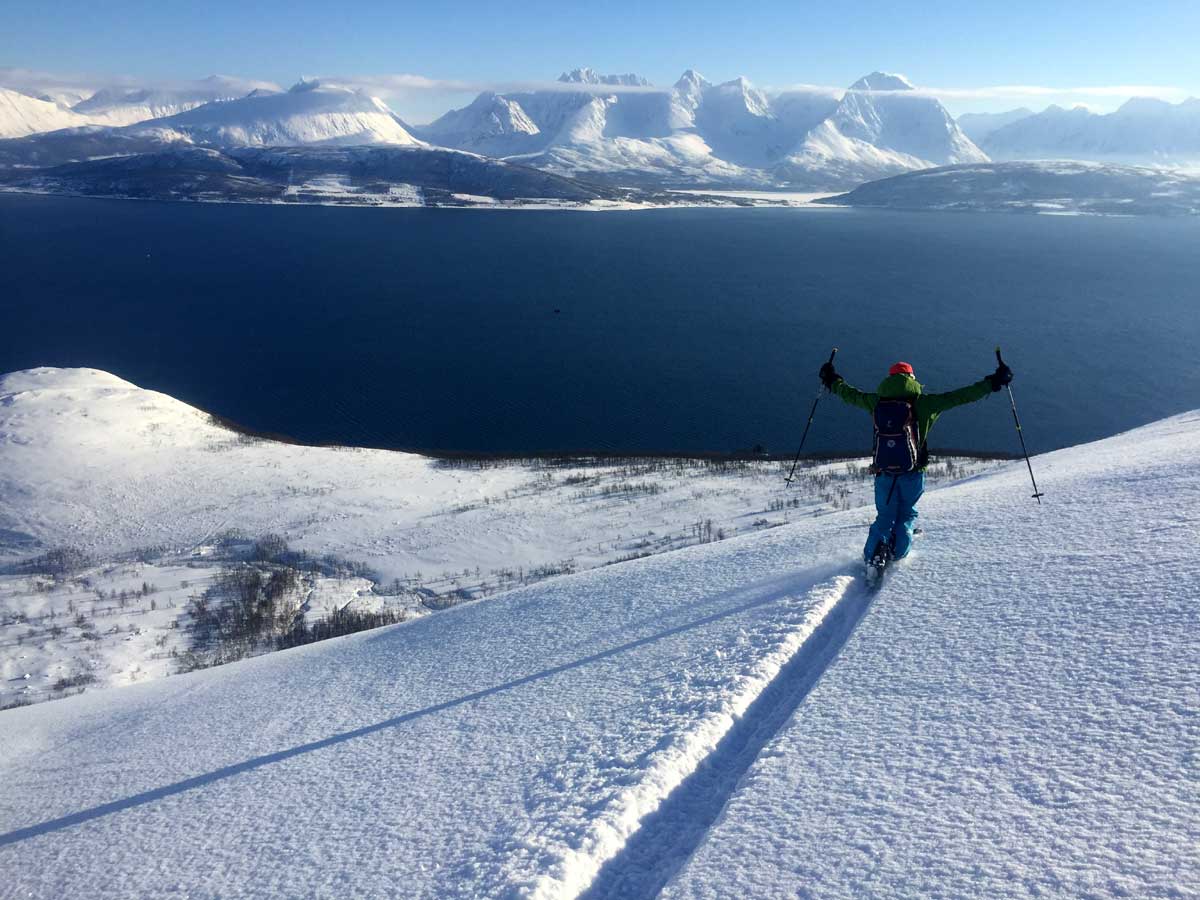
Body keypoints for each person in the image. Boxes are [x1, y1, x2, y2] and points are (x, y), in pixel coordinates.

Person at [819, 357, 1013, 567]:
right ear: (912, 379)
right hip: (913, 473)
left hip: (884, 473)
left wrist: (832, 379)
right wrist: (994, 382)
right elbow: (962, 396)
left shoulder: (876, 402)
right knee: (906, 514)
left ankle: (872, 557)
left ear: (890, 379)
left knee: (885, 516)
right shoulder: (926, 404)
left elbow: (850, 394)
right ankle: (897, 554)